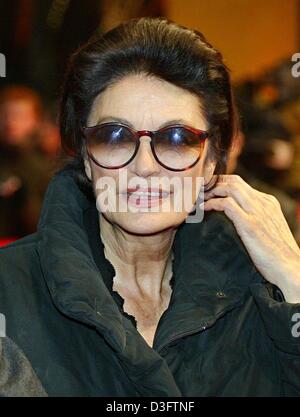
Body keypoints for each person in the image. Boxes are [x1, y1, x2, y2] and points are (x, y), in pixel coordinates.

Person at [0, 17, 300, 397]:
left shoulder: (261, 293)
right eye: (114, 136)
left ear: (212, 159)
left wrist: (293, 277)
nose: (144, 166)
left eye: (177, 138)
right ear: (87, 157)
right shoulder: (9, 292)